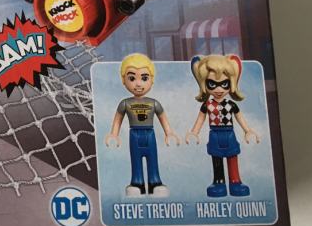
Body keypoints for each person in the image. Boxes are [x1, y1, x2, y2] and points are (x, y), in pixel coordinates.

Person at [186, 55, 261, 197]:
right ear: (204, 84)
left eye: (224, 84)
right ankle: (218, 182)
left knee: (232, 156)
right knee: (217, 158)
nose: (219, 89)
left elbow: (239, 117)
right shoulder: (207, 105)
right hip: (214, 134)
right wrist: (194, 132)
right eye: (212, 84)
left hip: (229, 133)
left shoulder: (231, 104)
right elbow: (201, 118)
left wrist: (248, 130)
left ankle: (235, 181)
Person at [105, 54, 180, 197]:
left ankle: (155, 182)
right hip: (134, 134)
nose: (138, 84)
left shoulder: (153, 103)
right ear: (124, 80)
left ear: (152, 80)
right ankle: (137, 182)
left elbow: (162, 117)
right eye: (132, 78)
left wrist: (169, 132)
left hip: (150, 134)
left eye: (144, 78)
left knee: (153, 158)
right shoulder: (125, 103)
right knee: (136, 159)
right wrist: (114, 134)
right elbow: (118, 119)